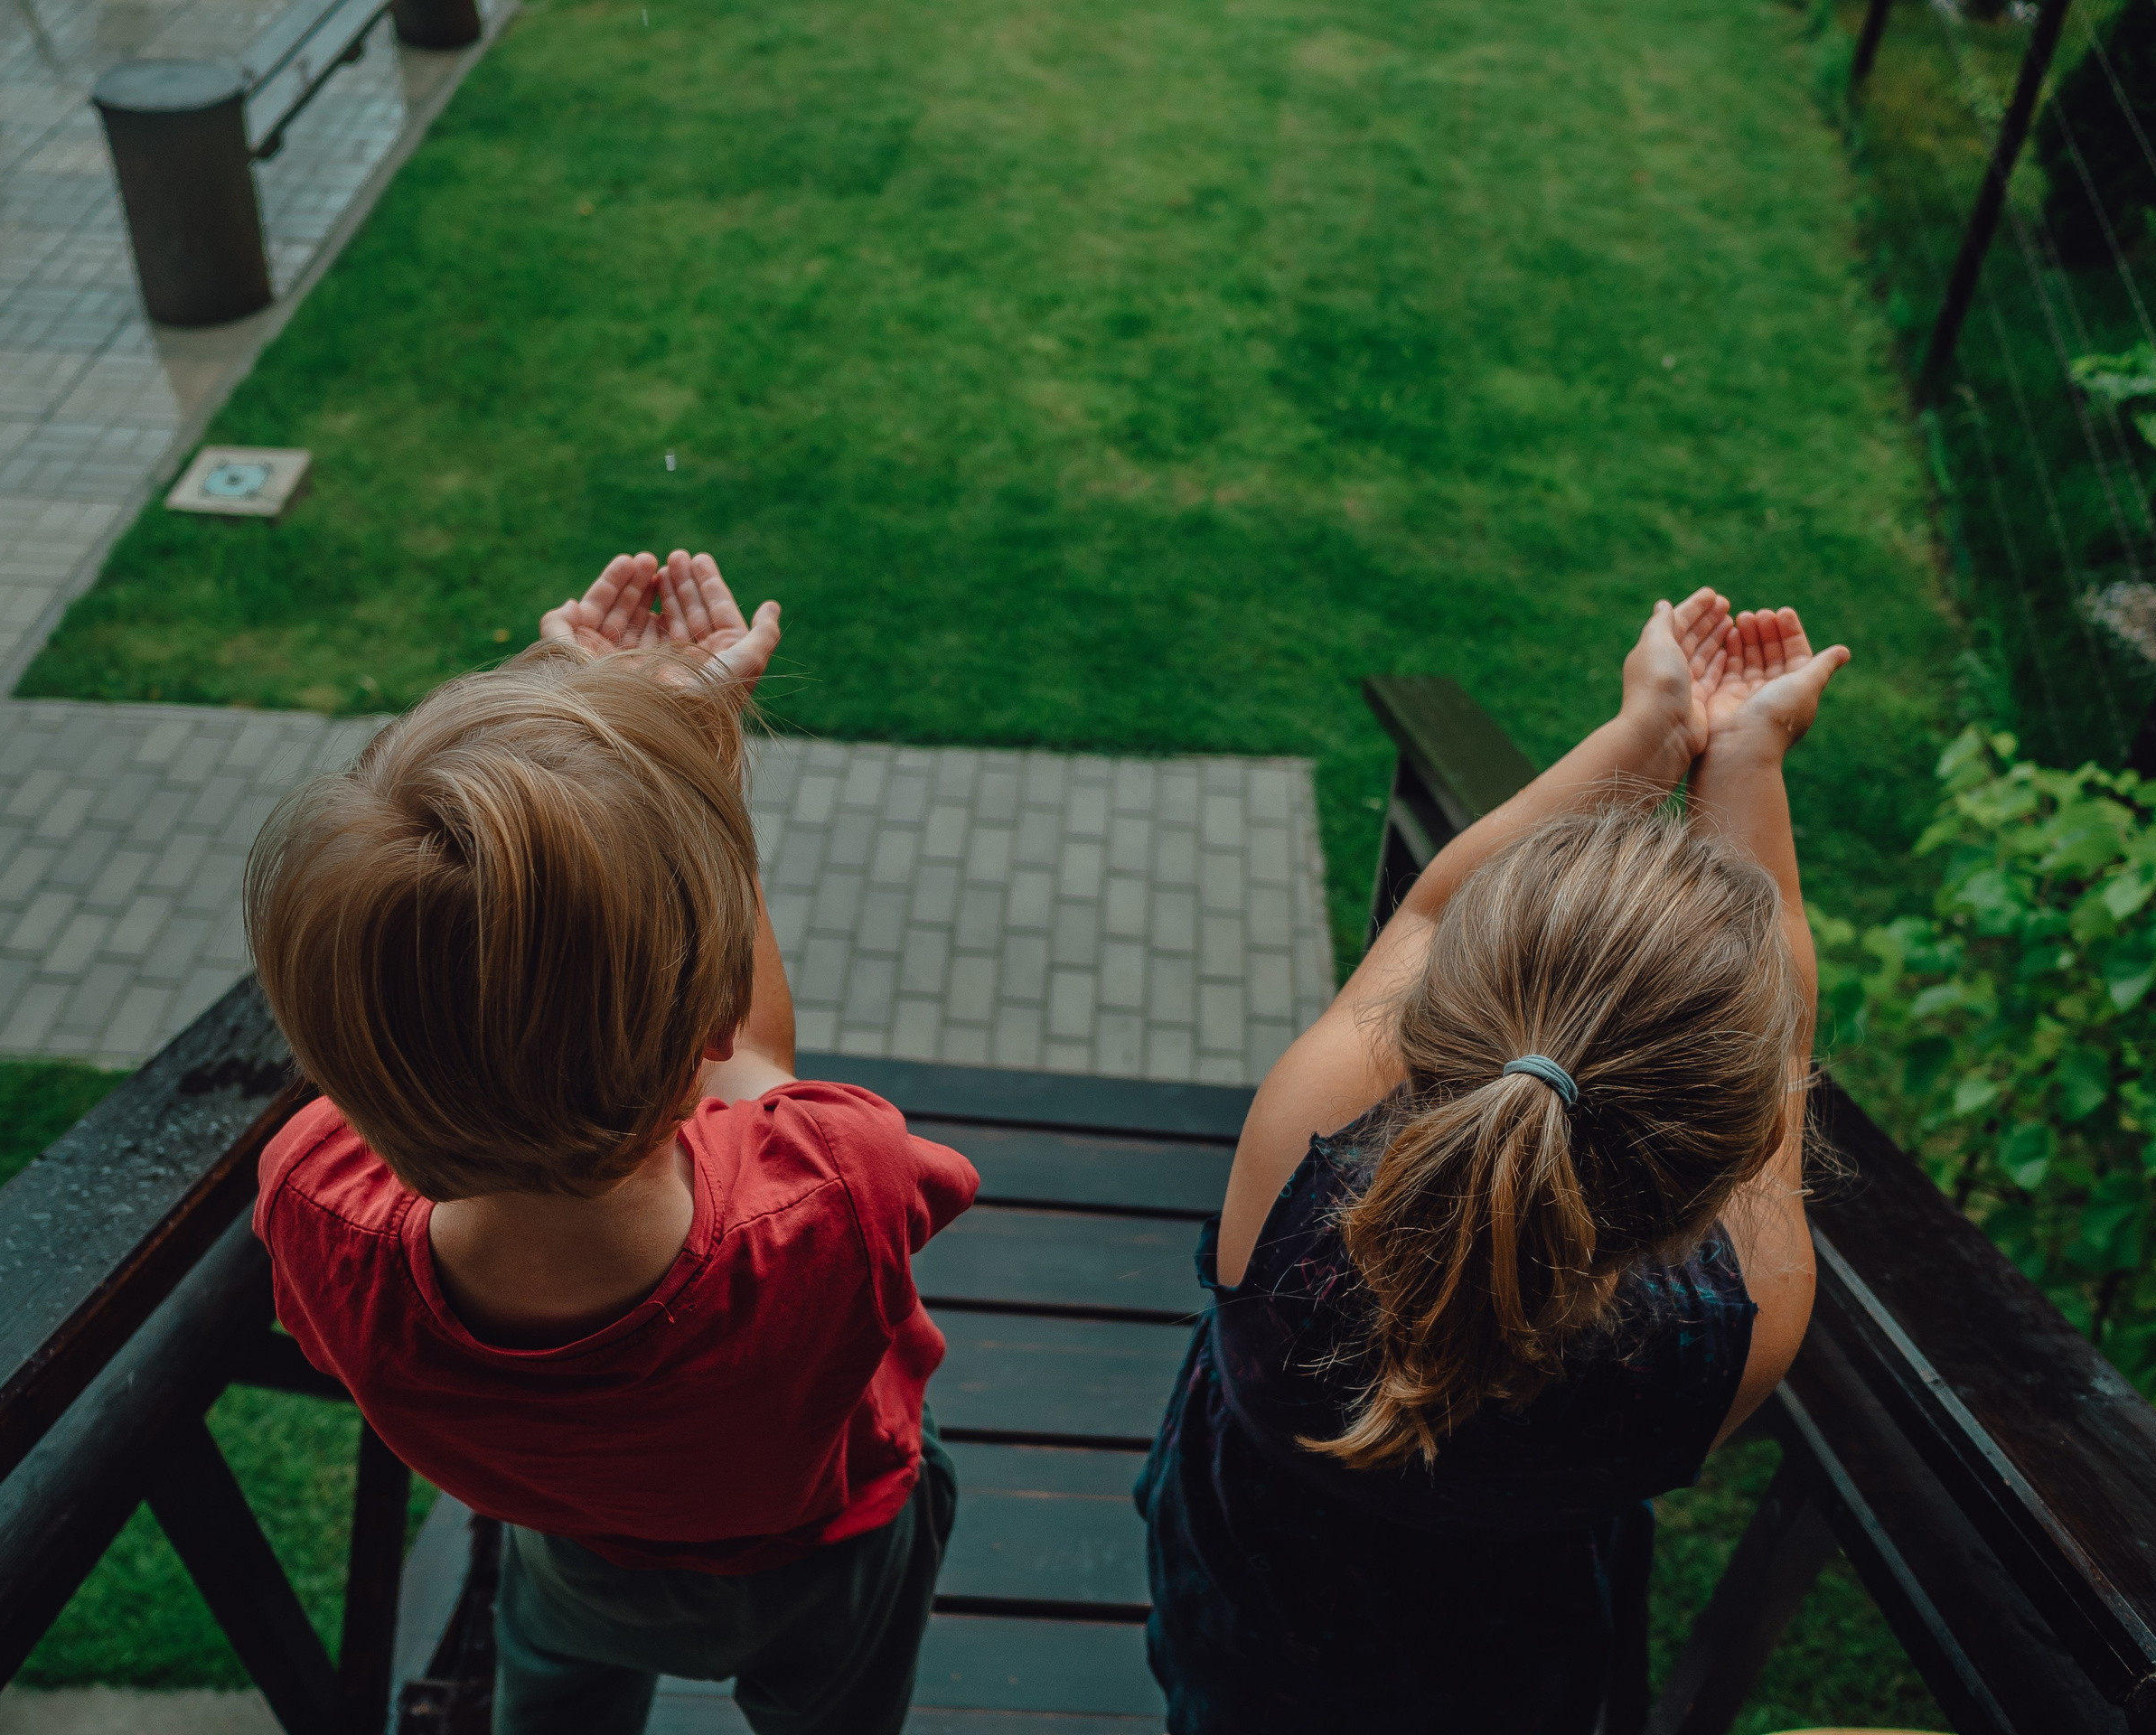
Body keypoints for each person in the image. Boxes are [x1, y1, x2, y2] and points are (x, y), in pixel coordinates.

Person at [248, 550, 979, 1735]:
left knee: (555, 1692)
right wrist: (692, 756)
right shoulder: (829, 1192)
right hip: (827, 1548)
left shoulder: (316, 1202)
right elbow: (758, 1071)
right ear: (702, 1016)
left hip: (576, 1551)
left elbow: (453, 984)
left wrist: (603, 758)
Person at [1136, 590, 1850, 1733]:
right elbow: (1782, 1044)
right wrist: (1746, 757)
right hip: (1500, 1680)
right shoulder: (1742, 1327)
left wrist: (1646, 733)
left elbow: (1430, 908)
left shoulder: (1294, 1163)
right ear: (1746, 1138)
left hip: (1244, 1632)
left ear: (1444, 1016)